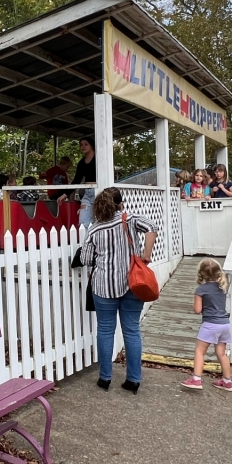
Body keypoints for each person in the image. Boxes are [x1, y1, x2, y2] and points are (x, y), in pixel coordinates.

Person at [79, 187, 158, 395]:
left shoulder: (94, 229)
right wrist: (146, 253)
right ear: (120, 203)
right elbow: (152, 226)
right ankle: (133, 380)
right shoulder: (129, 219)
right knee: (131, 331)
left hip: (103, 286)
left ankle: (105, 378)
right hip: (133, 284)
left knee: (105, 331)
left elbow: (86, 259)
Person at [181, 258, 232, 392]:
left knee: (200, 351)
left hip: (210, 324)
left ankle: (196, 379)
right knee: (221, 354)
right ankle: (227, 381)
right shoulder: (223, 287)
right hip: (225, 324)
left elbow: (197, 310)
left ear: (201, 274)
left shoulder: (201, 289)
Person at [70, 137, 97, 226]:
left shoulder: (98, 159)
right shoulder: (81, 163)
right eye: (81, 145)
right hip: (87, 194)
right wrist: (65, 194)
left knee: (98, 221)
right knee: (83, 221)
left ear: (92, 146)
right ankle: (85, 239)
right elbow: (76, 180)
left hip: (98, 192)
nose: (83, 146)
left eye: (86, 144)